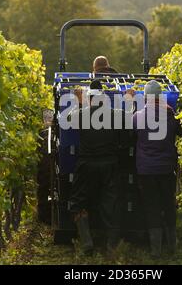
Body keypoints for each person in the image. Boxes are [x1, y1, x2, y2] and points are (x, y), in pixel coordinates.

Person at [68, 80, 122, 255]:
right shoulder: (114, 114)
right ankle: (112, 246)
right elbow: (130, 115)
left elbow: (67, 118)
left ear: (90, 98)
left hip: (86, 165)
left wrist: (79, 101)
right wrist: (129, 97)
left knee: (78, 201)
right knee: (110, 204)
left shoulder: (80, 114)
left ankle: (87, 242)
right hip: (109, 165)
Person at [131, 80, 182, 258]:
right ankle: (172, 246)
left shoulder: (137, 116)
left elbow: (132, 136)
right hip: (166, 168)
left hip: (146, 169)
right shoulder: (170, 115)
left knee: (151, 207)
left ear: (145, 97)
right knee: (168, 204)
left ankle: (155, 249)